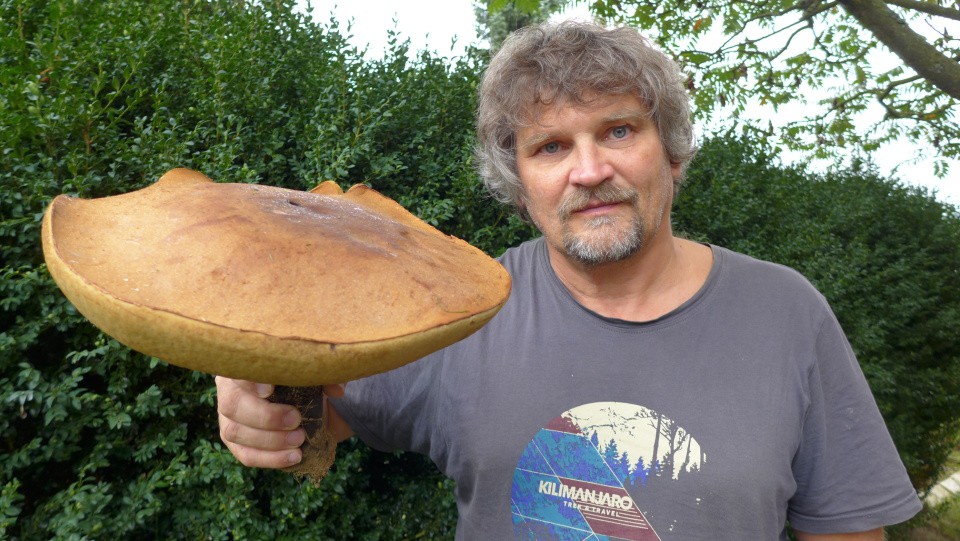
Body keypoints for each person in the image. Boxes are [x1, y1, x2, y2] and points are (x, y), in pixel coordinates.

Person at [216, 21, 922, 540]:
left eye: (618, 131)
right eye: (551, 146)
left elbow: (847, 529)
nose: (589, 171)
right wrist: (256, 385)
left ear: (672, 153)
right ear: (518, 183)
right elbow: (319, 417)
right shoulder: (462, 309)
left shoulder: (785, 312)